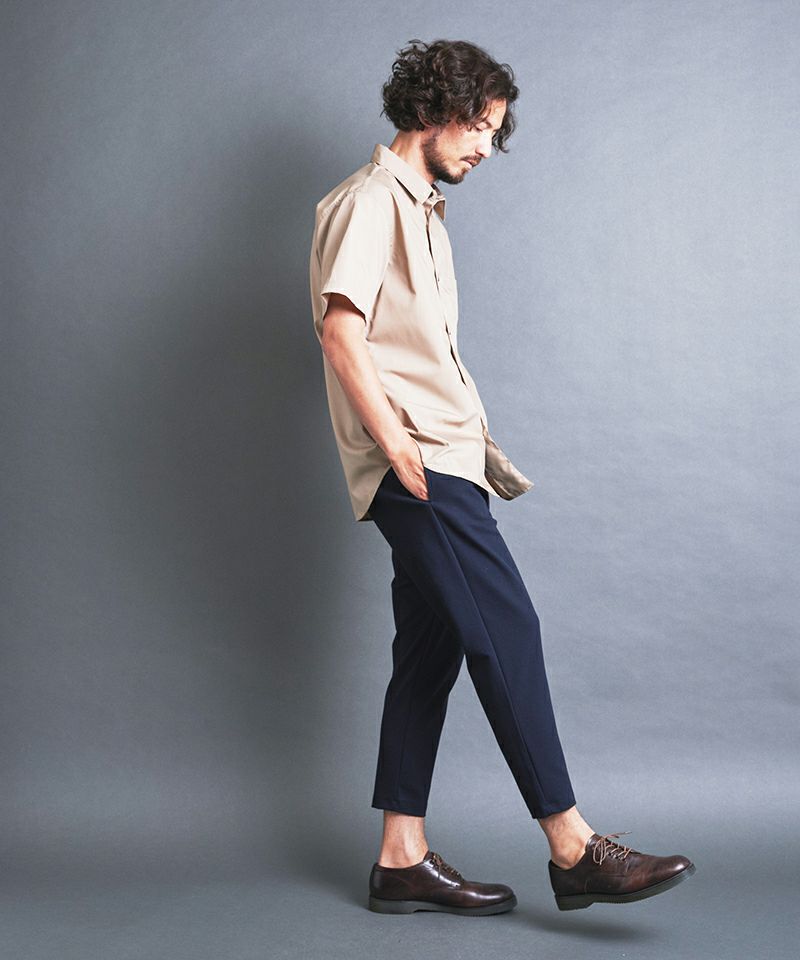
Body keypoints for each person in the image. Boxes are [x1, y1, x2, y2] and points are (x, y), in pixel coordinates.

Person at [308, 38, 695, 915]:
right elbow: (340, 332)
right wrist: (398, 447)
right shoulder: (370, 202)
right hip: (420, 463)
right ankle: (572, 845)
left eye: (494, 131)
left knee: (430, 651)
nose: (488, 145)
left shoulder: (420, 209)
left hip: (445, 458)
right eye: (480, 125)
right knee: (507, 627)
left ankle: (400, 859)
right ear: (434, 109)